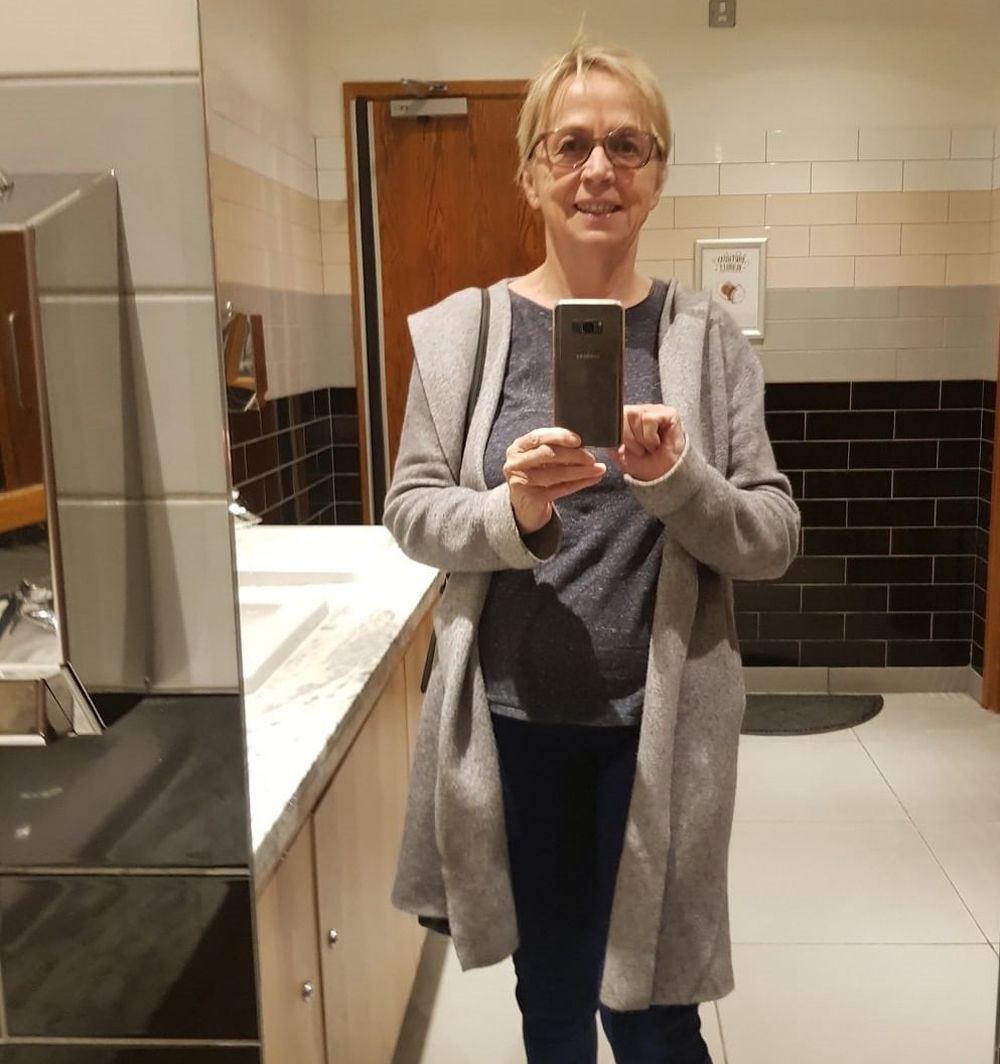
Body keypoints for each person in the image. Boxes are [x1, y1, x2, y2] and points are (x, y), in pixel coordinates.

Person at [384, 41, 800, 1064]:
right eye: (569, 146)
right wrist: (513, 511)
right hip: (511, 725)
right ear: (529, 172)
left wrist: (678, 480)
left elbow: (772, 537)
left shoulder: (706, 336)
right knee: (555, 997)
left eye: (626, 145)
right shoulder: (463, 333)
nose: (598, 171)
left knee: (653, 1012)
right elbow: (411, 510)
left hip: (659, 728)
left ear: (657, 172)